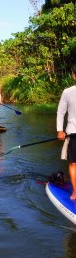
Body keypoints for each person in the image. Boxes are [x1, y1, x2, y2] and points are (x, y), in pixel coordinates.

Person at [57, 65, 76, 200]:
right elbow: (61, 112)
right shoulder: (67, 92)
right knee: (74, 163)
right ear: (74, 75)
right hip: (73, 132)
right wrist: (60, 130)